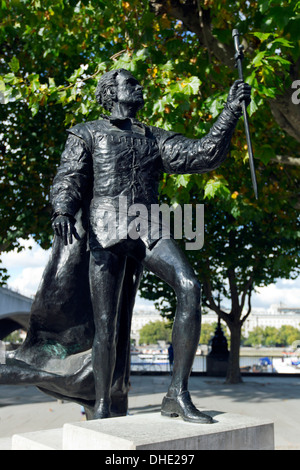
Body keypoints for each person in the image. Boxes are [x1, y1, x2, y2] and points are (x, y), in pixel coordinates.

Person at [51, 68, 251, 423]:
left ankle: (177, 394)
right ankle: (101, 404)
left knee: (190, 286)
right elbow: (70, 176)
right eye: (131, 82)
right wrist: (63, 209)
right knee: (106, 325)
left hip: (147, 224)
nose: (139, 85)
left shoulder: (154, 137)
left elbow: (203, 154)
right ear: (110, 92)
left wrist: (230, 111)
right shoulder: (86, 133)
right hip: (106, 227)